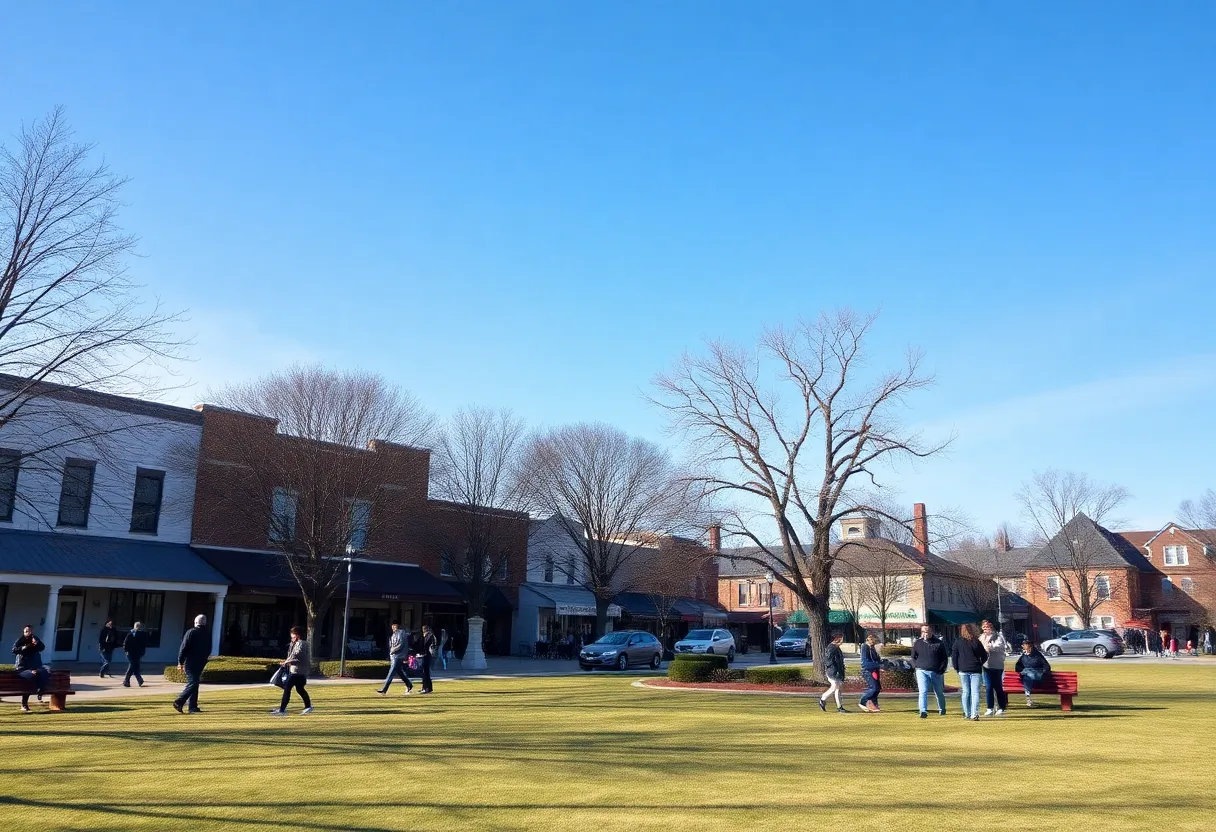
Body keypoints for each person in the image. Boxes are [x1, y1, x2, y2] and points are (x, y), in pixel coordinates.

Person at [271, 626, 313, 716]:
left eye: (293, 637)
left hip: (297, 672)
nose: (292, 639)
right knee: (300, 689)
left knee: (287, 689)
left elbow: (297, 655)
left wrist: (287, 662)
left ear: (297, 636)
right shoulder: (302, 643)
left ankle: (282, 710)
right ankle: (308, 706)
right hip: (300, 671)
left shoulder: (300, 643)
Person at [173, 614, 211, 714]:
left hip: (190, 661)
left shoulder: (191, 632)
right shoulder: (207, 633)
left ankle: (185, 703)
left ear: (195, 622)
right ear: (204, 622)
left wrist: (180, 661)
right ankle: (188, 704)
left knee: (194, 683)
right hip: (201, 661)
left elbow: (183, 647)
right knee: (194, 683)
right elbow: (209, 648)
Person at [952, 623, 988, 721]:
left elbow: (954, 657)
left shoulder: (958, 642)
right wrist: (980, 663)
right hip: (975, 669)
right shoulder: (976, 642)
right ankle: (974, 713)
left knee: (966, 692)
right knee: (975, 692)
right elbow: (984, 655)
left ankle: (967, 713)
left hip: (963, 669)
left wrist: (957, 668)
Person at [911, 624, 948, 718]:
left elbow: (944, 658)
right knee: (923, 691)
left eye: (927, 631)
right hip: (921, 670)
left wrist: (941, 669)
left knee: (938, 692)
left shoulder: (939, 643)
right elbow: (913, 656)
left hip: (935, 671)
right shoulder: (918, 643)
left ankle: (942, 709)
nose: (925, 633)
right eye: (923, 631)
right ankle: (923, 711)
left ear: (931, 632)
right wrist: (916, 665)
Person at [11, 625, 49, 713]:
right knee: (31, 676)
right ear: (24, 632)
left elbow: (42, 648)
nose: (28, 633)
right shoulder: (20, 640)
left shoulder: (35, 639)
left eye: (30, 631)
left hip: (35, 666)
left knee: (46, 671)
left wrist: (37, 643)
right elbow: (14, 650)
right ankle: (24, 704)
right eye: (26, 631)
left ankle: (40, 690)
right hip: (22, 667)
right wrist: (24, 647)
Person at [979, 619, 1009, 716]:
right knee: (988, 687)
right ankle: (990, 708)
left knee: (997, 686)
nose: (985, 629)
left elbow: (1000, 646)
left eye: (987, 627)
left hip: (997, 665)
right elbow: (979, 647)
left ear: (991, 627)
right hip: (986, 665)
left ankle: (1001, 707)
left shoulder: (997, 636)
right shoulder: (981, 637)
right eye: (984, 627)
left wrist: (990, 647)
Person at [377, 621, 414, 695]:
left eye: (393, 626)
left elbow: (400, 644)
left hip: (398, 656)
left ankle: (384, 689)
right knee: (399, 672)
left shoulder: (400, 633)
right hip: (395, 655)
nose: (392, 627)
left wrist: (392, 650)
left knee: (391, 672)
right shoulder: (395, 634)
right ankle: (409, 684)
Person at [1014, 639, 1051, 707]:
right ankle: (1028, 695)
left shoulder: (1038, 655)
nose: (1029, 647)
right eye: (1026, 645)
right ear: (1023, 646)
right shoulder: (1023, 656)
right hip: (1028, 678)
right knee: (1027, 676)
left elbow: (1046, 666)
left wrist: (1044, 674)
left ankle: (1028, 695)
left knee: (1029, 675)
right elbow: (1017, 667)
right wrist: (1022, 671)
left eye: (1029, 645)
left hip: (1037, 679)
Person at [817, 632, 848, 713]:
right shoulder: (832, 647)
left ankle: (839, 707)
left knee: (837, 688)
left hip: (837, 671)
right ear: (837, 640)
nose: (842, 642)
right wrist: (834, 669)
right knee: (835, 686)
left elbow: (839, 660)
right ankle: (823, 698)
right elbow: (828, 660)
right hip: (832, 671)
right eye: (841, 640)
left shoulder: (836, 648)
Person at [858, 633, 882, 713]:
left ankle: (873, 703)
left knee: (877, 688)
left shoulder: (872, 648)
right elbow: (865, 662)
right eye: (874, 642)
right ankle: (863, 701)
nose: (875, 644)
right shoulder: (865, 647)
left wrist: (883, 663)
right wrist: (877, 664)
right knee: (873, 688)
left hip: (874, 670)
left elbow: (876, 659)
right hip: (868, 670)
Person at [122, 621, 148, 687]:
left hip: (131, 653)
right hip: (137, 653)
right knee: (134, 665)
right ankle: (139, 680)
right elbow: (144, 645)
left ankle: (127, 680)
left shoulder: (131, 633)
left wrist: (126, 651)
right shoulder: (143, 634)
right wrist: (142, 652)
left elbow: (125, 643)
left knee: (133, 665)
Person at [418, 624, 437, 695]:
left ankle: (427, 688)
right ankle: (425, 687)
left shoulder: (429, 636)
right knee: (425, 672)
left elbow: (427, 646)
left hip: (427, 655)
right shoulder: (427, 636)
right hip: (425, 655)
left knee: (426, 672)